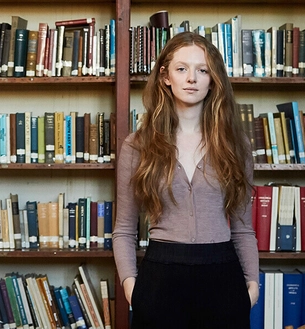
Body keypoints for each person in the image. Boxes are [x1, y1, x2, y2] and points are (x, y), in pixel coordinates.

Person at [113, 31, 259, 328]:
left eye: (202, 70)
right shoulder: (137, 145)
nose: (192, 78)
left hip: (223, 280)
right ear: (166, 77)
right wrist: (132, 288)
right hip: (160, 281)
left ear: (213, 79)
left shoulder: (236, 144)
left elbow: (243, 229)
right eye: (182, 69)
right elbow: (124, 230)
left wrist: (252, 287)